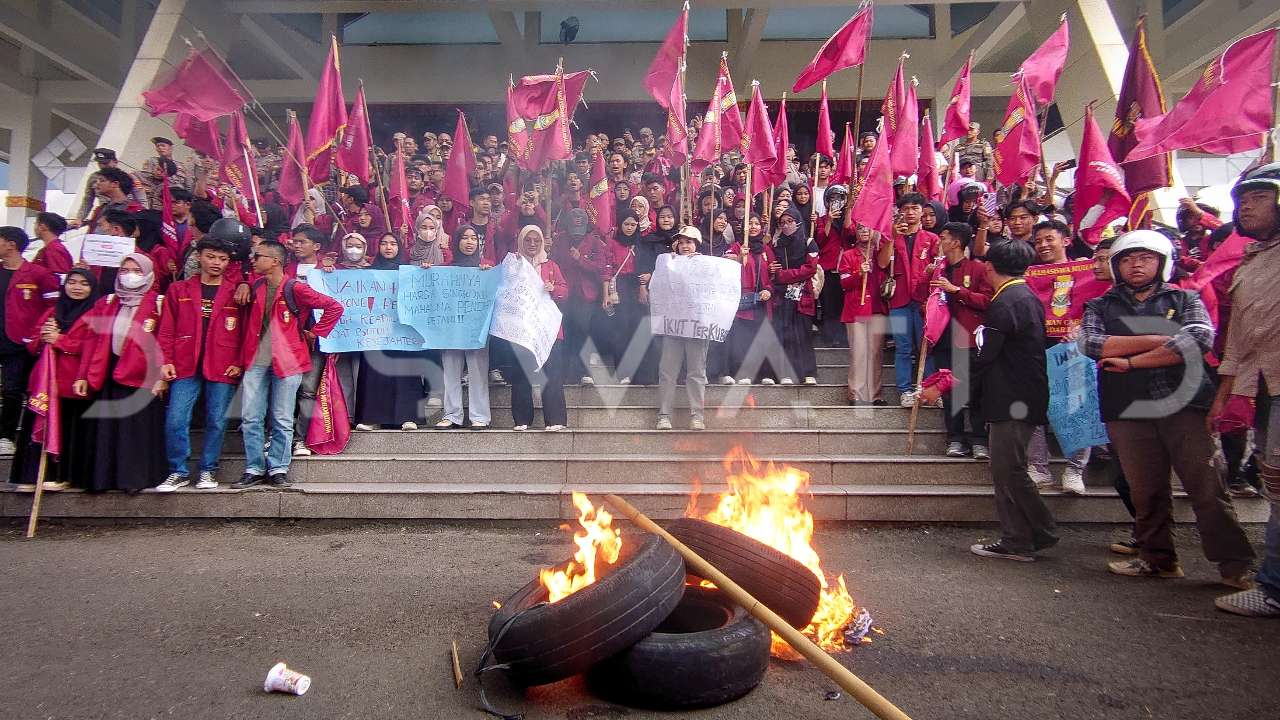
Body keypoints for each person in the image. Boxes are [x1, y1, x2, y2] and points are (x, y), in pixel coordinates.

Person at [1080, 229, 1254, 587]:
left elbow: (1198, 339)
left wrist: (1130, 360)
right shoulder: (1100, 305)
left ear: (1162, 262)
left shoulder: (1185, 298)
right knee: (1145, 490)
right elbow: (1092, 344)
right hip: (1127, 409)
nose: (1135, 265)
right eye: (1126, 259)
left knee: (1206, 486)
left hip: (1185, 405)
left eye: (1145, 258)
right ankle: (1157, 558)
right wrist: (1160, 340)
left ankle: (1234, 565)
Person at [1211, 163, 1280, 616]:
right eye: (1242, 198)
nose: (1245, 206)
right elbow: (1239, 338)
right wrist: (1224, 393)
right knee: (1276, 481)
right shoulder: (1255, 259)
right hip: (1268, 386)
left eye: (1258, 196)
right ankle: (1274, 584)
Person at [969, 239, 1058, 561]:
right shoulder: (1026, 297)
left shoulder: (1006, 302)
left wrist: (958, 388)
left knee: (1009, 470)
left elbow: (986, 355)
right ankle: (1026, 535)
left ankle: (1031, 534)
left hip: (1012, 398)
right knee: (1008, 469)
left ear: (988, 267)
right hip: (1022, 395)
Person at [232, 240, 343, 488]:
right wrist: (242, 282)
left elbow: (334, 306)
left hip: (288, 361)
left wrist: (315, 332)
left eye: (258, 255)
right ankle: (254, 468)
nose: (253, 259)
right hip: (256, 361)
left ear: (274, 261)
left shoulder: (295, 288)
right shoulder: (256, 285)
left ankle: (278, 468)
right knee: (251, 417)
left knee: (282, 418)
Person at [155, 239, 245, 491]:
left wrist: (239, 362)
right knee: (175, 418)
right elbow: (167, 330)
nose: (217, 263)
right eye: (211, 257)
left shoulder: (236, 290)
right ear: (199, 257)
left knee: (216, 420)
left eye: (223, 259)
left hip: (223, 363)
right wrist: (166, 361)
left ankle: (208, 470)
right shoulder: (179, 289)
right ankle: (178, 470)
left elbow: (245, 332)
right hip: (185, 363)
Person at [76, 254, 167, 492]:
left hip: (142, 377)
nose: (130, 275)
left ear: (148, 274)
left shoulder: (158, 303)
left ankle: (133, 480)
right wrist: (83, 374)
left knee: (134, 432)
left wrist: (161, 378)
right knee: (106, 431)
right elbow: (91, 340)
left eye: (137, 271)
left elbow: (165, 342)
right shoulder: (107, 302)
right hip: (108, 373)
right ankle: (102, 480)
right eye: (125, 270)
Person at [9, 269, 100, 491]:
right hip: (44, 381)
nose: (77, 287)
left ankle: (63, 476)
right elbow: (31, 345)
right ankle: (30, 477)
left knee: (67, 429)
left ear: (92, 289)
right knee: (36, 426)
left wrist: (60, 340)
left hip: (71, 382)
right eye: (72, 282)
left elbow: (91, 346)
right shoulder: (51, 311)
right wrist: (42, 337)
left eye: (83, 284)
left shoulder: (96, 314)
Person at [928, 222, 992, 458]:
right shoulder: (938, 268)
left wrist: (956, 290)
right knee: (948, 390)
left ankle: (979, 439)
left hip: (969, 337)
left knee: (973, 391)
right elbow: (922, 296)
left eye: (943, 238)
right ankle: (954, 437)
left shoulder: (978, 268)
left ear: (956, 242)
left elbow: (987, 301)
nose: (940, 242)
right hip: (943, 338)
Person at [354, 233, 426, 431]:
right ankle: (371, 418)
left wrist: (425, 272)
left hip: (402, 331)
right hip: (375, 332)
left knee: (405, 372)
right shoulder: (367, 273)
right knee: (375, 373)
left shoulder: (409, 272)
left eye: (393, 243)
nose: (388, 247)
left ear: (399, 247)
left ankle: (408, 417)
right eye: (384, 243)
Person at [0, 227, 58, 456]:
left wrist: (37, 332)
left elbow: (53, 305)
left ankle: (6, 435)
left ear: (11, 244)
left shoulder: (37, 273)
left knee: (13, 389)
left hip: (19, 342)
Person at [879, 193, 939, 404]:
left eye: (915, 208)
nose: (910, 212)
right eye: (906, 209)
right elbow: (883, 263)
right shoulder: (893, 237)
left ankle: (928, 388)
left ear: (922, 211)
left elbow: (941, 269)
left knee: (926, 346)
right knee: (903, 347)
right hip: (899, 301)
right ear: (900, 212)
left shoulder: (932, 239)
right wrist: (892, 238)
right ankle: (905, 390)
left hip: (925, 301)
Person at [507, 225, 568, 431]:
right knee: (521, 372)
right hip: (522, 328)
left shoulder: (551, 265)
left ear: (542, 243)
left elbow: (565, 291)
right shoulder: (514, 265)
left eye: (536, 241)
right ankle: (522, 419)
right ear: (521, 242)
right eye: (528, 240)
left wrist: (554, 289)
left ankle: (556, 419)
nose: (532, 244)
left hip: (548, 329)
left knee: (551, 373)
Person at [435, 225, 493, 430]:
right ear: (456, 242)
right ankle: (452, 415)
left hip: (476, 328)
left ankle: (480, 416)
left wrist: (488, 275)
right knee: (451, 370)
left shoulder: (487, 268)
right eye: (464, 238)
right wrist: (425, 272)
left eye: (473, 239)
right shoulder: (445, 269)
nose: (469, 242)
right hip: (451, 327)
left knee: (477, 370)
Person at [656, 226, 710, 431]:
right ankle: (664, 415)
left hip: (697, 325)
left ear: (697, 244)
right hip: (674, 325)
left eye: (689, 241)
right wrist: (668, 263)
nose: (685, 245)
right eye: (681, 241)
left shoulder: (707, 265)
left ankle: (697, 416)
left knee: (696, 372)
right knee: (667, 371)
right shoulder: (668, 263)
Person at [770, 207, 820, 385]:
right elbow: (774, 268)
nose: (786, 225)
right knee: (785, 333)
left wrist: (784, 275)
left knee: (803, 333)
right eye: (782, 223)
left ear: (798, 221)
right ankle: (786, 373)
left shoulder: (809, 242)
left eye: (790, 221)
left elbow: (810, 268)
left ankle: (807, 373)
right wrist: (777, 273)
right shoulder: (777, 244)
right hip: (783, 296)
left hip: (803, 295)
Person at [838, 223, 887, 404]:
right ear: (855, 233)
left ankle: (875, 394)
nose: (865, 231)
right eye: (860, 228)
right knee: (858, 352)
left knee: (875, 353)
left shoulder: (882, 254)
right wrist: (859, 273)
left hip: (878, 307)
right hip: (856, 309)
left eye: (868, 228)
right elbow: (844, 283)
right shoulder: (849, 255)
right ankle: (856, 393)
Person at [727, 214, 777, 385]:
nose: (754, 226)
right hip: (743, 301)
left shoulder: (766, 250)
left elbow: (773, 276)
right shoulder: (735, 247)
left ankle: (765, 374)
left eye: (757, 223)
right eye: (750, 223)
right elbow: (727, 272)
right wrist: (740, 258)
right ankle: (744, 373)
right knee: (743, 338)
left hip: (762, 300)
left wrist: (769, 290)